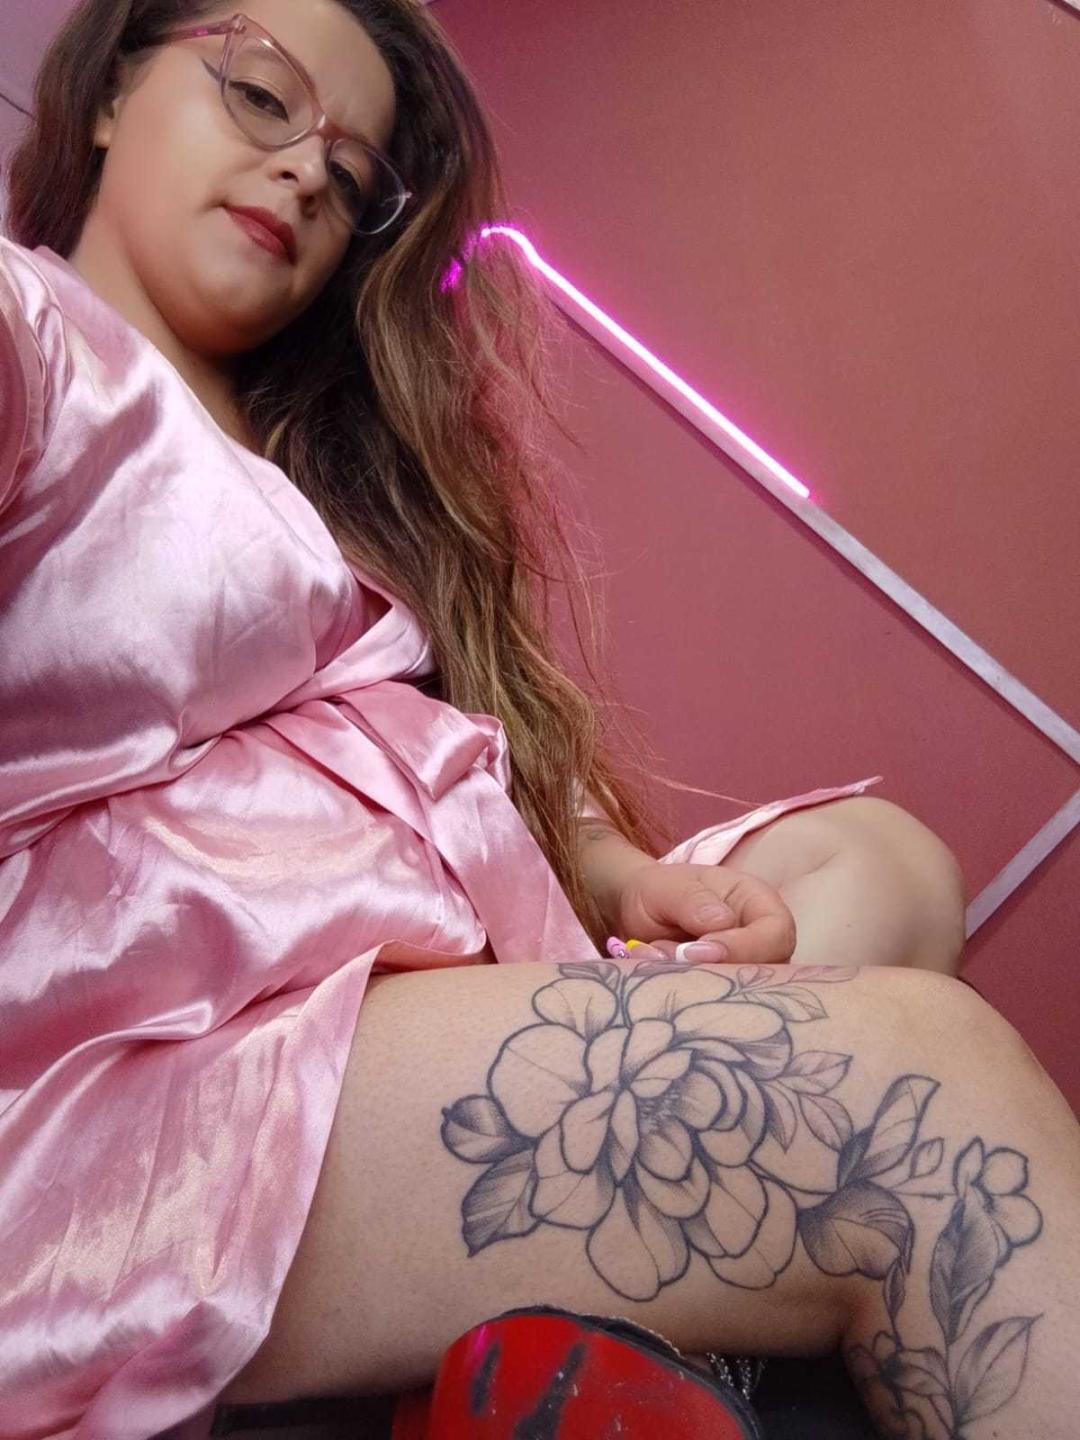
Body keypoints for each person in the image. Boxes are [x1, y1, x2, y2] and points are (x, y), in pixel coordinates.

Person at [0, 1, 1075, 1437]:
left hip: (438, 968)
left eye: (352, 176)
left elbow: (436, 752)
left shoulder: (328, 472)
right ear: (108, 93)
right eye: (261, 95)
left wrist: (619, 874)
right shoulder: (35, 342)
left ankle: (587, 1365)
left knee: (885, 866)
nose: (307, 171)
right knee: (924, 1088)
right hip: (176, 1077)